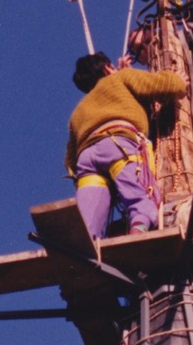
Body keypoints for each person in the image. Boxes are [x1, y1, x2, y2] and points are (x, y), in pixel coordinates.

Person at [67, 51, 186, 238]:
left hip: (86, 158)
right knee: (141, 200)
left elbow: (70, 159)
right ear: (107, 68)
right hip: (118, 145)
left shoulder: (78, 111)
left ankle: (82, 246)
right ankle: (138, 228)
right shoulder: (120, 78)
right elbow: (162, 85)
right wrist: (178, 80)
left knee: (88, 219)